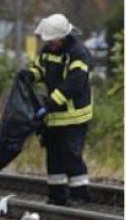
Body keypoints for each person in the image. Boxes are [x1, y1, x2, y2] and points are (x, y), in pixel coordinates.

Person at [20, 13, 92, 206]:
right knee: (54, 157)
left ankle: (79, 196)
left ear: (63, 36)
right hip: (54, 116)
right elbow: (40, 69)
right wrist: (29, 75)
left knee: (71, 154)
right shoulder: (48, 50)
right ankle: (57, 196)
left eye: (53, 41)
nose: (50, 44)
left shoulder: (78, 53)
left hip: (74, 116)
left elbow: (73, 84)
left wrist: (50, 104)